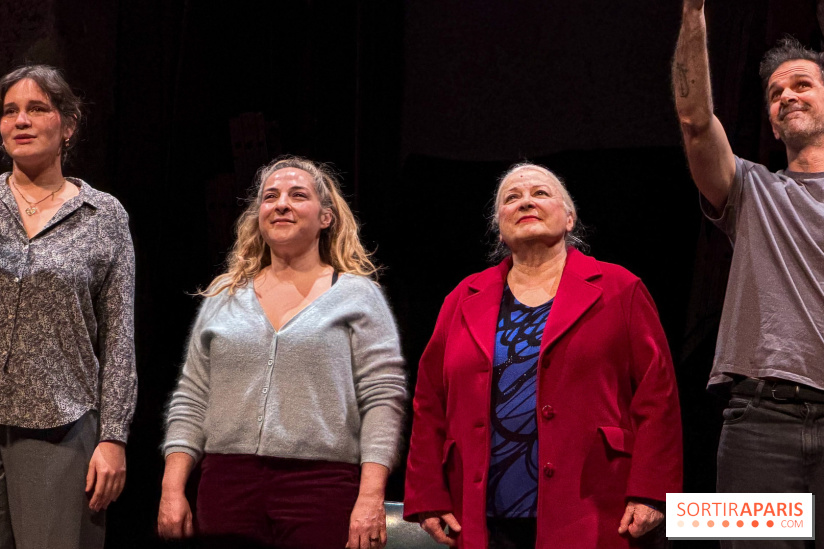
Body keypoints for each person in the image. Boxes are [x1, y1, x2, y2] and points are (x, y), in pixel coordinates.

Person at [403, 163, 682, 549]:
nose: (526, 202)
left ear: (570, 218)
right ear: (499, 227)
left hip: (594, 502)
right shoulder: (463, 298)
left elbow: (658, 397)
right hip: (482, 509)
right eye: (512, 197)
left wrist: (652, 491)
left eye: (541, 193)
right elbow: (429, 402)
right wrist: (428, 492)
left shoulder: (621, 288)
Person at [157, 156, 407, 549]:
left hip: (321, 485)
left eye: (297, 195)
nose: (281, 204)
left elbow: (382, 399)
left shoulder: (357, 295)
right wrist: (172, 488)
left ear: (326, 217)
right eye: (270, 196)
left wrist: (371, 495)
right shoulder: (225, 295)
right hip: (227, 483)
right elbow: (192, 396)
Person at [674, 2, 824, 548]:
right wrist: (693, 12)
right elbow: (694, 121)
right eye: (775, 94)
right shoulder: (753, 191)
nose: (786, 96)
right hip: (759, 423)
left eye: (802, 84)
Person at [0, 65, 136, 549]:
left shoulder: (103, 216)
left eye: (37, 108)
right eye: (10, 111)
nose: (21, 120)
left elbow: (119, 338)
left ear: (68, 125)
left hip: (59, 428)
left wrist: (114, 436)